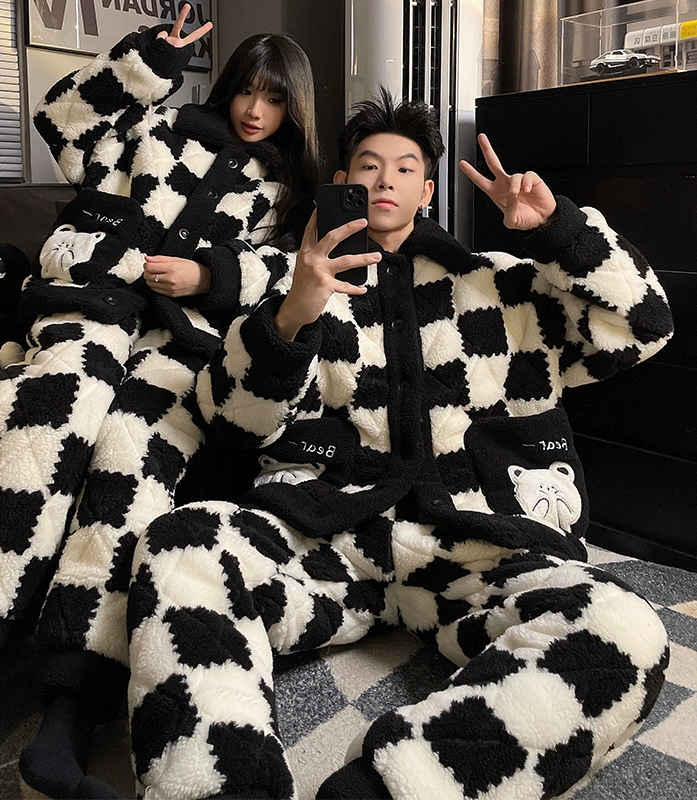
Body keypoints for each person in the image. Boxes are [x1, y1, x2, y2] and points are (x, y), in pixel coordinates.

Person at [121, 88, 673, 800]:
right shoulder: (297, 284)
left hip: (473, 552)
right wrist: (293, 317)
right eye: (368, 166)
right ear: (341, 184)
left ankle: (396, 787)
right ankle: (222, 784)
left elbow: (645, 326)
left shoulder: (501, 284)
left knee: (624, 626)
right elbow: (233, 421)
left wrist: (557, 230)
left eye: (405, 168)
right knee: (180, 542)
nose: (385, 179)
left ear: (427, 191)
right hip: (331, 544)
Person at [0, 7, 321, 798]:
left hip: (181, 340)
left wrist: (209, 277)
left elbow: (288, 272)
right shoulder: (156, 128)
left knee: (135, 453)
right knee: (48, 413)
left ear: (295, 108)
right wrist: (146, 62)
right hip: (91, 305)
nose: (256, 110)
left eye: (275, 98)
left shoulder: (287, 194)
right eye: (248, 91)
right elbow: (64, 124)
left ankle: (74, 700)